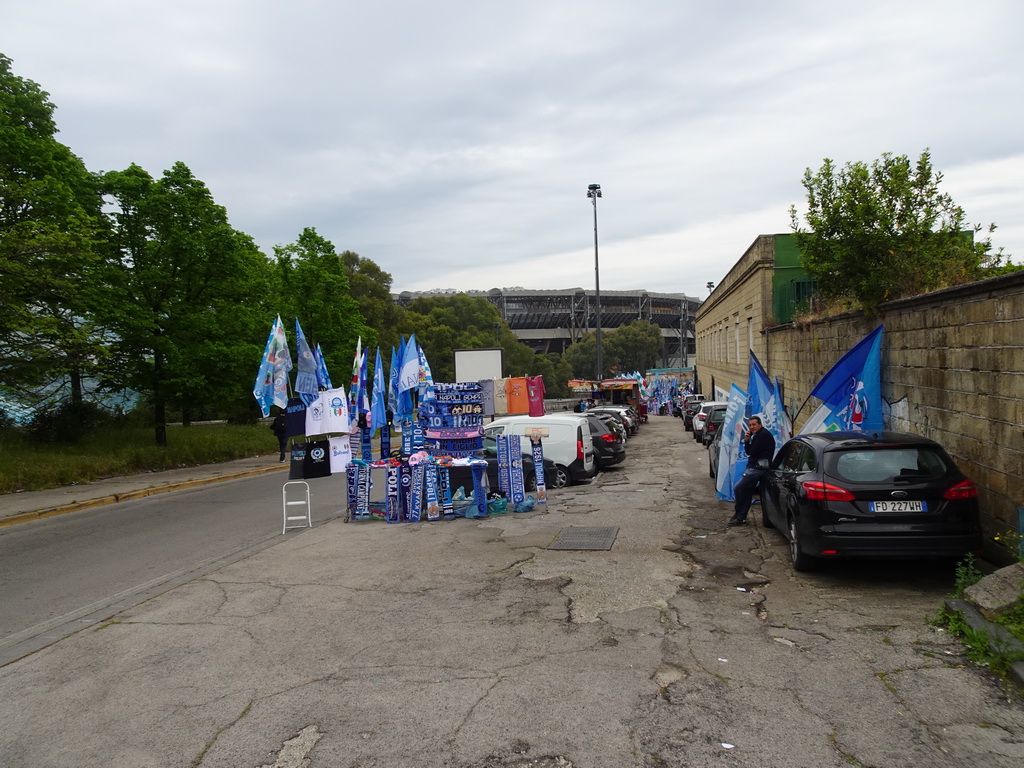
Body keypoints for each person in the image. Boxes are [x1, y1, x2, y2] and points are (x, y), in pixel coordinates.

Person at [729, 415, 775, 527]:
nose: (752, 427)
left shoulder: (763, 435)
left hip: (757, 468)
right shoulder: (757, 435)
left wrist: (749, 442)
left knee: (738, 488)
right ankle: (741, 517)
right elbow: (749, 451)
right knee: (747, 491)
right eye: (750, 425)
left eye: (754, 424)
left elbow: (752, 452)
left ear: (760, 424)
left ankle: (738, 513)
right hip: (754, 466)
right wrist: (747, 440)